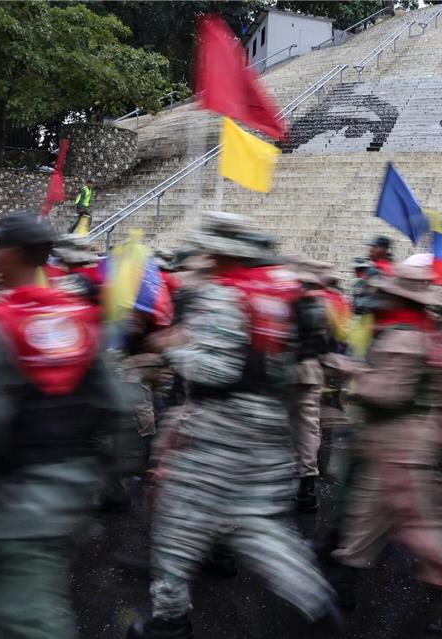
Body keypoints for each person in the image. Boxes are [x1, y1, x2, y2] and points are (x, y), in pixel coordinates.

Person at [127, 212, 335, 639]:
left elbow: (216, 371)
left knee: (178, 516)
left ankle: (169, 618)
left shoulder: (224, 296)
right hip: (267, 422)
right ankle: (316, 603)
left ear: (221, 252)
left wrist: (172, 348)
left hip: (216, 426)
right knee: (255, 519)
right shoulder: (283, 290)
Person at [0, 211, 130, 639]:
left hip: (19, 496)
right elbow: (117, 403)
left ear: (14, 255)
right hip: (70, 483)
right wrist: (103, 473)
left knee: (27, 616)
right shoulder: (77, 316)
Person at [329, 264, 442, 619]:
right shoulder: (426, 331)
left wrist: (349, 372)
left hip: (400, 442)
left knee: (422, 522)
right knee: (369, 516)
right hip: (403, 439)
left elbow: (386, 392)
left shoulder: (403, 337)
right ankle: (342, 586)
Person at [289, 258, 332, 513]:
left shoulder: (286, 300)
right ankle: (307, 487)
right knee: (308, 430)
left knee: (280, 430)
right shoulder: (320, 303)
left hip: (286, 373)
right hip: (311, 372)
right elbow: (325, 343)